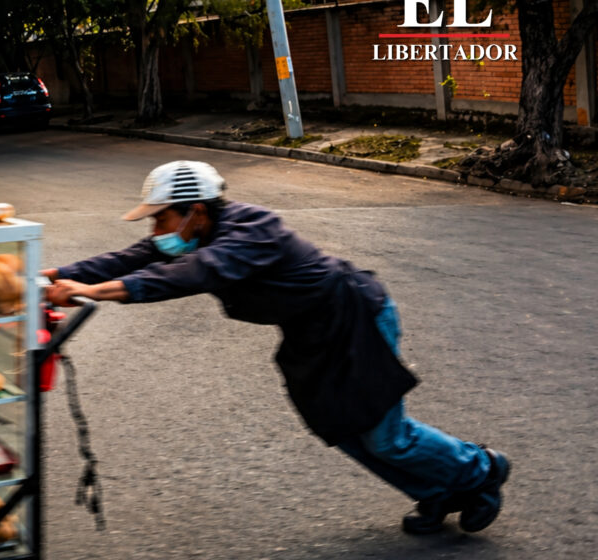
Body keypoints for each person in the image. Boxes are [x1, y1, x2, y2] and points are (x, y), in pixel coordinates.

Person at [43, 160, 511, 534]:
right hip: (311, 333)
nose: (153, 232)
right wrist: (60, 276)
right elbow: (127, 259)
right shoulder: (190, 236)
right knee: (343, 427)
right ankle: (437, 491)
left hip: (355, 316)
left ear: (196, 211)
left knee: (386, 434)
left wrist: (94, 293)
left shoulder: (251, 227)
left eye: (160, 219)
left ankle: (481, 470)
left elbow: (194, 274)